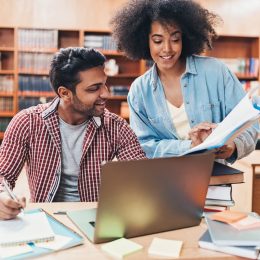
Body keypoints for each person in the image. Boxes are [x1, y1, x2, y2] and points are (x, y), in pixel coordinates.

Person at [0, 47, 146, 219]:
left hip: (96, 220)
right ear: (65, 93)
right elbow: (3, 175)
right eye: (94, 89)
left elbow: (143, 177)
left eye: (104, 84)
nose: (106, 93)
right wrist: (2, 198)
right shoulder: (27, 122)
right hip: (46, 219)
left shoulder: (116, 126)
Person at [111, 0, 258, 160]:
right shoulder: (139, 91)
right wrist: (190, 146)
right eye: (158, 41)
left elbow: (250, 124)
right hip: (163, 178)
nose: (167, 48)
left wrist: (232, 146)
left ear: (185, 39)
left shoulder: (216, 72)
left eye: (175, 39)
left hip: (214, 177)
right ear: (145, 41)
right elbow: (143, 146)